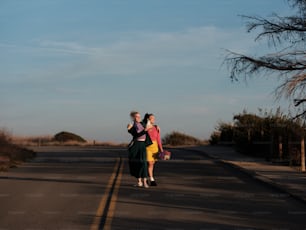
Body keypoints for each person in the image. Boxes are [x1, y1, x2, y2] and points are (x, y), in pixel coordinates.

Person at [127, 111, 152, 188]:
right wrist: (145, 130)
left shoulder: (142, 123)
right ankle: (139, 182)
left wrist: (156, 126)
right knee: (136, 163)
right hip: (136, 145)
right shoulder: (131, 126)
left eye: (139, 116)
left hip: (142, 145)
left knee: (144, 163)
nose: (138, 118)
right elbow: (137, 135)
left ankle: (145, 182)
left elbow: (147, 118)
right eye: (137, 117)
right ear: (133, 118)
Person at [143, 113, 163, 186]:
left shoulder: (156, 127)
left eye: (154, 118)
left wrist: (161, 149)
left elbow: (158, 139)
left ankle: (149, 177)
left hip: (155, 147)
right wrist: (146, 129)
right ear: (148, 119)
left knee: (152, 163)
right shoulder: (145, 127)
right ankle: (151, 179)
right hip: (147, 146)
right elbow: (141, 135)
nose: (153, 119)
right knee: (150, 162)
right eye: (152, 118)